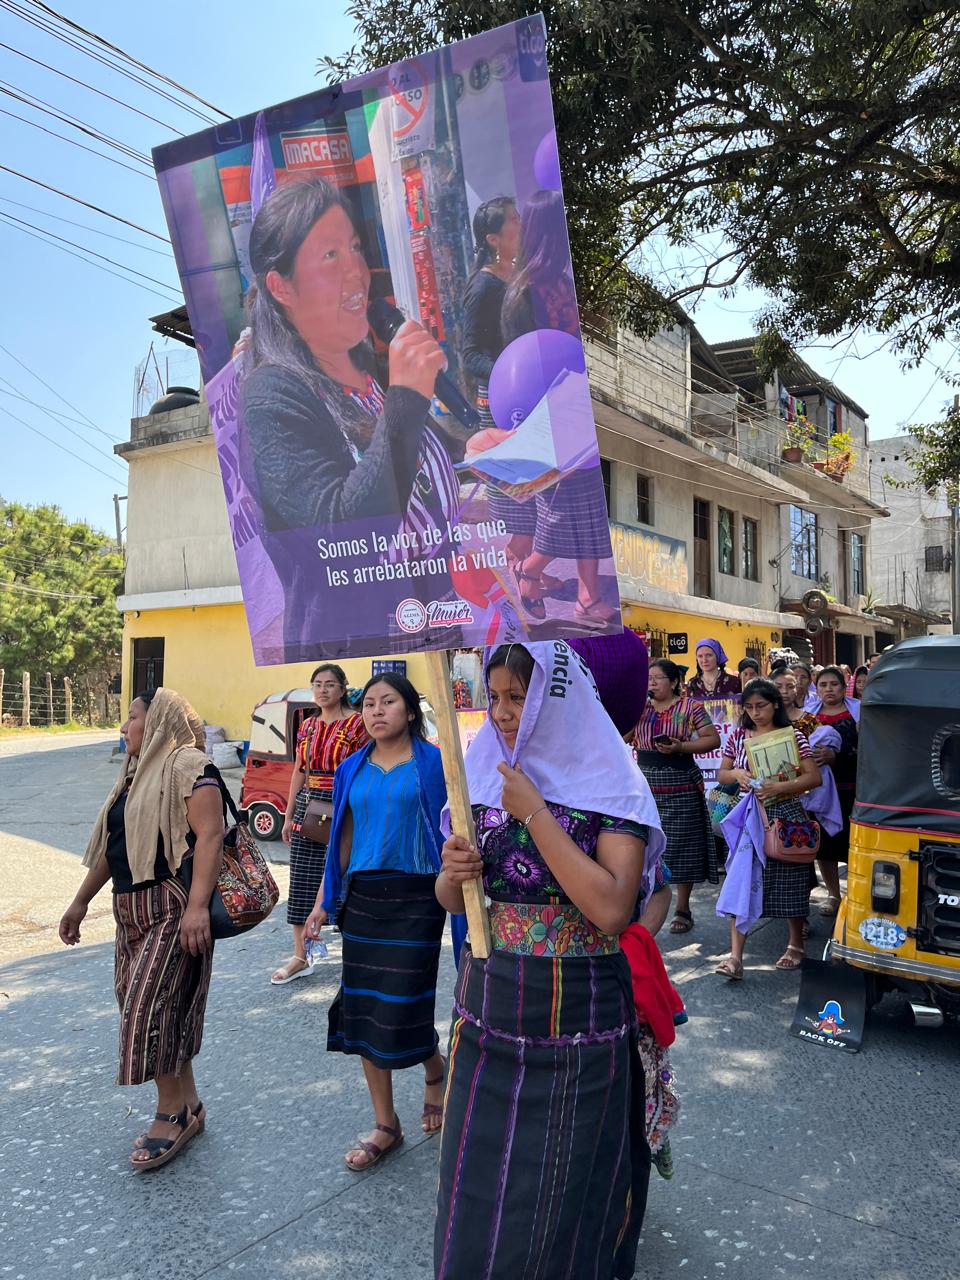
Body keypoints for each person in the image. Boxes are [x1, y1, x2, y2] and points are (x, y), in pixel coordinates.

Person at [435, 640, 665, 1280]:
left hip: (579, 1015)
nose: (504, 713)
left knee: (565, 1200)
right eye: (497, 697)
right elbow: (452, 894)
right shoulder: (480, 770)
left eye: (519, 696)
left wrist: (535, 811)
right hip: (488, 1004)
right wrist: (453, 875)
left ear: (557, 695)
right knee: (477, 1194)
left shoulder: (609, 777)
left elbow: (614, 908)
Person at [239, 176, 460, 656]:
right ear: (281, 287)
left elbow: (413, 455)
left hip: (437, 616)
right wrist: (405, 397)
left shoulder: (363, 366)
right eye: (330, 256)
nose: (357, 271)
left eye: (355, 248)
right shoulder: (272, 395)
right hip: (363, 655)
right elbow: (342, 533)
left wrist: (470, 451)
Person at [59, 688, 224, 1170]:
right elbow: (117, 849)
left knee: (147, 1011)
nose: (124, 727)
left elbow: (211, 835)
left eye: (132, 717)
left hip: (172, 905)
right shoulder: (136, 777)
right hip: (128, 910)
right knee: (160, 1007)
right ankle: (190, 1105)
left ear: (157, 722)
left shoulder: (189, 767)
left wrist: (197, 908)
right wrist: (80, 901)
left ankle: (169, 1114)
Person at [303, 673, 463, 1170]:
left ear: (410, 711)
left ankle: (434, 1068)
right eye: (368, 704)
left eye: (388, 702)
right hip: (366, 899)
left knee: (404, 1006)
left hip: (420, 898)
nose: (376, 711)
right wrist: (323, 902)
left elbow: (458, 830)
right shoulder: (352, 767)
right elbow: (341, 841)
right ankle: (385, 1123)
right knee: (366, 1010)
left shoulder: (438, 764)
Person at [499, 190, 616, 630]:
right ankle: (529, 572)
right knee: (564, 503)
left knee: (586, 500)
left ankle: (586, 596)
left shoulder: (555, 281)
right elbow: (526, 357)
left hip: (571, 406)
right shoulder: (526, 290)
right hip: (547, 411)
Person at [715, 679, 821, 977]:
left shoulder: (794, 736)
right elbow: (722, 774)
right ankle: (735, 957)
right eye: (749, 707)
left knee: (791, 877)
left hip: (786, 813)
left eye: (760, 706)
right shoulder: (738, 736)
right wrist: (737, 773)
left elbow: (813, 778)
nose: (755, 713)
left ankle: (795, 943)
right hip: (747, 815)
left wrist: (780, 785)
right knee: (740, 879)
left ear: (775, 704)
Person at [271, 664, 368, 984]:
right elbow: (298, 769)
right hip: (308, 806)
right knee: (301, 878)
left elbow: (363, 768)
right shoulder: (308, 726)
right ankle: (301, 955)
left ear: (342, 689)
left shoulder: (356, 724)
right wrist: (287, 815)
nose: (323, 690)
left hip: (345, 806)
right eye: (317, 684)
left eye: (329, 684)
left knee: (349, 876)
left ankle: (359, 953)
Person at [631, 658, 720, 935]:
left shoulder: (689, 707)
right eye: (648, 679)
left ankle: (682, 908)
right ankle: (644, 903)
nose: (652, 683)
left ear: (673, 682)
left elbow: (712, 739)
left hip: (680, 782)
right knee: (641, 845)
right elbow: (624, 736)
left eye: (658, 678)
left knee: (682, 846)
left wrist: (683, 746)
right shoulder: (639, 707)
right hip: (645, 784)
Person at [812, 665, 859, 915]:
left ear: (844, 687)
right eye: (823, 685)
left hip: (852, 789)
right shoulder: (808, 715)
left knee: (853, 844)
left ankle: (857, 895)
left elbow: (869, 751)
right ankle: (833, 894)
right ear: (816, 688)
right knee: (825, 845)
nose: (829, 689)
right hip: (819, 791)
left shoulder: (859, 714)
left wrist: (836, 757)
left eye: (834, 684)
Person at [772, 669, 820, 739]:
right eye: (778, 687)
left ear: (796, 689)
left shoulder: (809, 720)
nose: (784, 691)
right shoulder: (764, 719)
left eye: (790, 687)